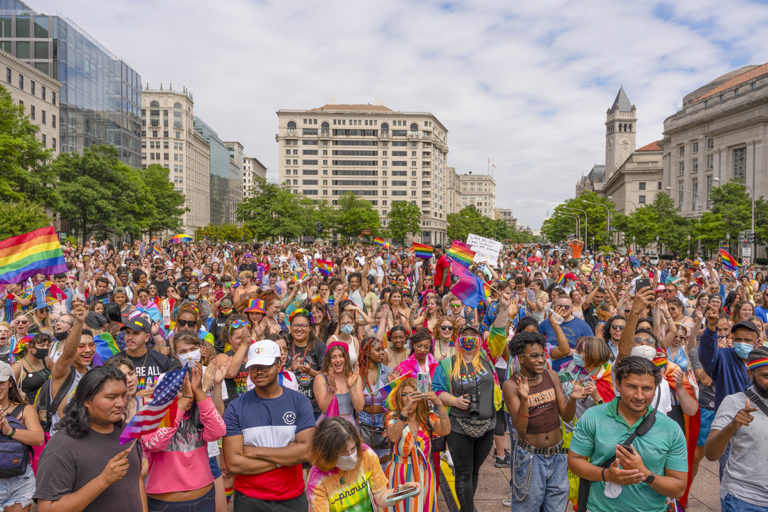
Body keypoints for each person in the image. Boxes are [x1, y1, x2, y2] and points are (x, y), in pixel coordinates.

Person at [568, 357, 689, 512]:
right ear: (617, 384)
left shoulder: (670, 429)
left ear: (656, 388)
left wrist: (646, 474)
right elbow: (574, 461)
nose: (639, 396)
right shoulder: (593, 417)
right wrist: (606, 475)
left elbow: (678, 489)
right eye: (632, 387)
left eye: (646, 388)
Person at [34, 366, 145, 512]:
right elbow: (47, 509)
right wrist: (103, 481)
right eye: (111, 397)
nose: (121, 403)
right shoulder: (62, 446)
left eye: (123, 395)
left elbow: (136, 481)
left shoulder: (128, 433)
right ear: (87, 400)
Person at [222, 339, 315, 511]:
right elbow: (234, 464)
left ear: (279, 366)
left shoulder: (299, 402)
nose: (258, 372)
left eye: (265, 366)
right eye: (254, 367)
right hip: (249, 500)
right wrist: (286, 457)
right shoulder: (235, 408)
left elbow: (307, 452)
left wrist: (255, 451)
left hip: (292, 499)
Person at [503, 331, 581, 511]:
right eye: (534, 356)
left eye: (542, 355)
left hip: (558, 456)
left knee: (556, 508)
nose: (540, 360)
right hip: (531, 458)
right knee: (527, 507)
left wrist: (573, 399)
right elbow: (521, 429)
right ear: (521, 359)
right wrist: (524, 399)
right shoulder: (511, 385)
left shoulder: (551, 376)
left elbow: (567, 416)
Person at [432, 325, 501, 512]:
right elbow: (437, 389)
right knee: (464, 473)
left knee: (474, 470)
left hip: (487, 427)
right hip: (458, 427)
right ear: (458, 339)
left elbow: (499, 333)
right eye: (464, 335)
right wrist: (454, 401)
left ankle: (466, 507)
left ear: (479, 339)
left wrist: (503, 308)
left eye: (473, 335)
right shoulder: (447, 364)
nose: (469, 339)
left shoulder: (487, 358)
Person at [142, 361, 226, 512]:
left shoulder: (200, 413)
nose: (187, 395)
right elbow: (155, 444)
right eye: (179, 390)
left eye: (189, 390)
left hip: (204, 498)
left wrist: (199, 391)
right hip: (165, 505)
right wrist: (183, 401)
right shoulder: (151, 416)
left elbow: (218, 432)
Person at [307, 417, 418, 511]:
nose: (351, 455)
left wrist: (401, 491)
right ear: (328, 453)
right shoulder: (317, 480)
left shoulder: (366, 454)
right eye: (344, 452)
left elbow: (380, 496)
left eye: (353, 448)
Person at [705, 346, 768, 511]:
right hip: (743, 500)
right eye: (766, 376)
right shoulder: (734, 402)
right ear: (750, 374)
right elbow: (711, 453)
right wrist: (732, 426)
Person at [385, 377, 450, 512]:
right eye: (404, 394)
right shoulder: (392, 416)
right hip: (399, 474)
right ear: (399, 398)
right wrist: (405, 411)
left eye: (413, 394)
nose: (409, 398)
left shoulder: (427, 417)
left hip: (423, 473)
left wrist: (439, 404)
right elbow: (393, 436)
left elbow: (445, 430)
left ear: (420, 398)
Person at [0, 360, 44, 512]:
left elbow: (38, 439)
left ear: (10, 383)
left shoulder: (25, 409)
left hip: (20, 482)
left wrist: (9, 430)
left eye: (1, 382)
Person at [699, 305, 762, 411]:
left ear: (757, 342)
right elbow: (707, 354)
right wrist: (711, 327)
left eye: (747, 340)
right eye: (738, 339)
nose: (742, 343)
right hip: (727, 419)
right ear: (732, 340)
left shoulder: (762, 362)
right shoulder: (723, 357)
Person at [112, 316, 171, 393]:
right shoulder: (114, 362)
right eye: (128, 332)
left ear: (146, 337)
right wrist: (137, 398)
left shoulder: (161, 360)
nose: (129, 337)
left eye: (135, 333)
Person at [358, 336, 393, 459]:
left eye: (382, 349)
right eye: (378, 350)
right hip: (363, 423)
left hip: (383, 421)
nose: (382, 353)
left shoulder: (388, 372)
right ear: (367, 352)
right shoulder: (356, 373)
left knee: (383, 463)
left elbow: (394, 402)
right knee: (364, 463)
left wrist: (392, 386)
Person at [314, 341, 364, 426]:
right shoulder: (320, 378)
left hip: (348, 426)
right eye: (333, 357)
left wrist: (351, 387)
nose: (338, 360)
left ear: (346, 358)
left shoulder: (355, 378)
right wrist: (332, 388)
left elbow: (359, 408)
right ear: (328, 360)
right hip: (328, 425)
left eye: (341, 356)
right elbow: (324, 409)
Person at [538, 295, 593, 370]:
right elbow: (535, 339)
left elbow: (592, 350)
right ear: (554, 307)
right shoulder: (547, 322)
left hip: (572, 369)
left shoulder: (583, 325)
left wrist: (576, 352)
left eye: (566, 306)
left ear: (572, 308)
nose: (563, 308)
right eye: (559, 306)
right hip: (549, 367)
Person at [11, 332, 53, 404]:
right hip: (28, 409)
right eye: (42, 345)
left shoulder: (46, 361)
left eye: (47, 345)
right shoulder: (17, 367)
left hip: (47, 407)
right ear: (29, 348)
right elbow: (9, 393)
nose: (46, 348)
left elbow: (59, 376)